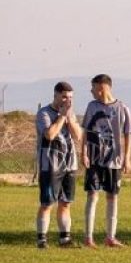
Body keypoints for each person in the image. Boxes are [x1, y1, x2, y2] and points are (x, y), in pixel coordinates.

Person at [80, 74, 131, 248]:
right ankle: (89, 238)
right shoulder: (92, 106)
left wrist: (127, 158)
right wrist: (84, 153)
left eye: (93, 87)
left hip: (114, 160)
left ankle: (111, 237)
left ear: (102, 88)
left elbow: (128, 134)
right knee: (92, 195)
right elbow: (86, 132)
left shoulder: (122, 107)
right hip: (95, 160)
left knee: (112, 197)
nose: (91, 91)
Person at [35, 81, 83, 249]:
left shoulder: (70, 113)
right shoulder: (44, 113)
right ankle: (42, 239)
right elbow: (50, 135)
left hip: (69, 164)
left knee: (66, 202)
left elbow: (78, 136)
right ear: (55, 95)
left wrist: (70, 119)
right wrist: (62, 116)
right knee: (47, 203)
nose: (67, 101)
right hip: (50, 165)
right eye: (64, 97)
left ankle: (65, 239)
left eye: (70, 97)